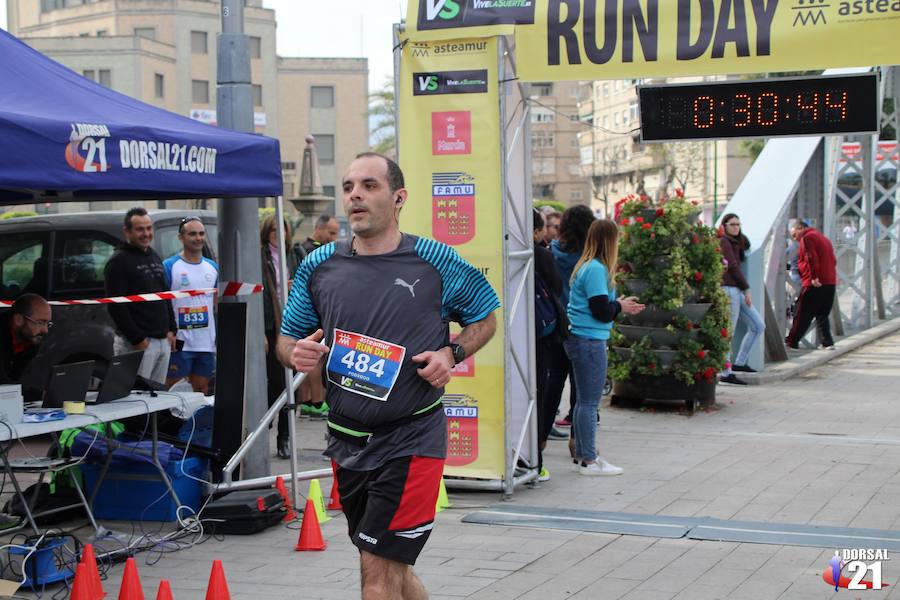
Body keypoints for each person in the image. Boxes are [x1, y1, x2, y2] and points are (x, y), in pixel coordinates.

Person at [277, 152, 498, 600]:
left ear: (398, 198)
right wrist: (295, 353)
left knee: (375, 579)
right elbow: (285, 340)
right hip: (346, 440)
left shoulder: (435, 260)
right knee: (387, 566)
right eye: (348, 186)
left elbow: (485, 317)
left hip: (411, 438)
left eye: (369, 185)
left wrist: (450, 352)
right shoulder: (318, 265)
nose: (355, 194)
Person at [564, 219, 643, 476]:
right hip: (589, 341)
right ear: (610, 241)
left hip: (580, 338)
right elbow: (601, 311)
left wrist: (617, 303)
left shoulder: (586, 266)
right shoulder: (597, 269)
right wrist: (619, 306)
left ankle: (583, 455)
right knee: (589, 402)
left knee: (582, 402)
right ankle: (589, 459)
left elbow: (597, 305)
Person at [104, 208, 176, 384]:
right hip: (137, 344)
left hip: (162, 341)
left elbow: (165, 295)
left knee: (157, 399)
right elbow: (115, 305)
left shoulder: (154, 256)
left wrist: (172, 330)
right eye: (140, 229)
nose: (146, 234)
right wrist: (138, 339)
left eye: (149, 228)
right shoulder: (118, 261)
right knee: (136, 398)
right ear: (126, 232)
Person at [550, 205, 594, 435]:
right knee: (581, 385)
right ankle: (578, 439)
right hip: (583, 325)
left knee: (554, 381)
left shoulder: (552, 252)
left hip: (557, 324)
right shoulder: (591, 259)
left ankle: (541, 439)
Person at [261, 215, 301, 459]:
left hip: (292, 324)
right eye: (273, 230)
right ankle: (263, 423)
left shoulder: (294, 255)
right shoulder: (259, 255)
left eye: (282, 229)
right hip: (268, 326)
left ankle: (284, 437)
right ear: (266, 232)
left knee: (291, 384)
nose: (278, 234)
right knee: (275, 382)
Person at [163, 217, 218, 394]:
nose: (198, 238)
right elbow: (162, 302)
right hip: (180, 342)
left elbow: (216, 304)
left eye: (201, 233)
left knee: (201, 390)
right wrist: (168, 331)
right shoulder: (170, 266)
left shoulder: (212, 267)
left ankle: (195, 422)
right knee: (174, 391)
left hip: (205, 343)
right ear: (181, 238)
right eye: (192, 234)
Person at [533, 209, 568, 482]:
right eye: (545, 227)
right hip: (539, 333)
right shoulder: (542, 254)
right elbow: (556, 286)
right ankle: (535, 459)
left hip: (522, 332)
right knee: (538, 392)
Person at [296, 213, 340, 417]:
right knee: (315, 357)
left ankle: (308, 401)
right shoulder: (309, 252)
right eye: (331, 233)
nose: (334, 238)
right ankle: (315, 401)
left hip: (317, 311)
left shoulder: (311, 250)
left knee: (313, 357)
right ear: (319, 228)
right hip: (312, 312)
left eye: (336, 233)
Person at [718, 214, 765, 385]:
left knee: (758, 325)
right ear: (724, 226)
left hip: (736, 291)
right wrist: (747, 288)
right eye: (732, 224)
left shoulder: (735, 242)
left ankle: (739, 363)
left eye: (738, 224)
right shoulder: (724, 241)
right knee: (727, 331)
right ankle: (726, 372)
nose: (736, 227)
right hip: (729, 290)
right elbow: (732, 266)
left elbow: (748, 245)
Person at [785, 219, 837, 349]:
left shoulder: (807, 238)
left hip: (815, 282)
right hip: (830, 281)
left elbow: (810, 257)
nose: (794, 239)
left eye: (794, 234)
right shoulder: (824, 238)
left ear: (800, 228)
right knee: (822, 314)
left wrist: (814, 277)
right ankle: (827, 342)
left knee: (802, 313)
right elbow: (834, 260)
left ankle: (791, 342)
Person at [0, 294, 52, 402]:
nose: (45, 330)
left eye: (48, 323)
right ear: (18, 319)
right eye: (40, 323)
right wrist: (40, 396)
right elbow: (3, 386)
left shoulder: (30, 340)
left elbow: (14, 379)